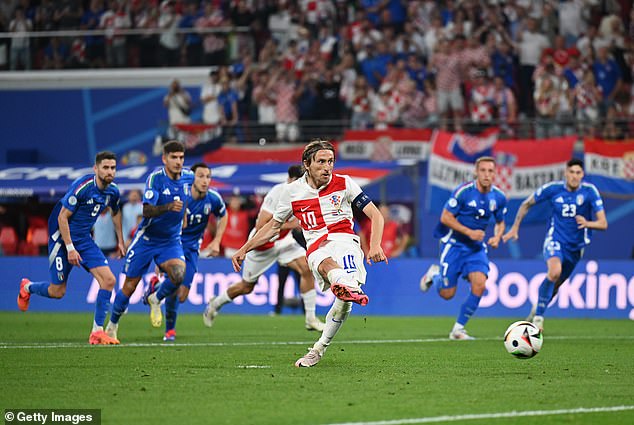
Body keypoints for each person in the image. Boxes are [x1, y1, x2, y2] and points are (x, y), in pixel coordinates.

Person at [231, 140, 387, 368]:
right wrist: (245, 248)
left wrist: (375, 245)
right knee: (325, 263)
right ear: (307, 164)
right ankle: (342, 283)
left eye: (331, 161)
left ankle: (318, 348)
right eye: (321, 162)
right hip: (316, 247)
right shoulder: (291, 192)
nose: (327, 167)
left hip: (346, 242)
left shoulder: (345, 183)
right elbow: (273, 227)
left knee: (345, 303)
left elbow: (376, 215)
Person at [17, 151, 125, 345]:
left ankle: (97, 332)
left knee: (108, 280)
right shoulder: (83, 187)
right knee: (57, 292)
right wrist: (70, 248)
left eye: (113, 168)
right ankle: (27, 287)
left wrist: (121, 240)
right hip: (61, 237)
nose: (110, 172)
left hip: (84, 239)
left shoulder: (113, 191)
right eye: (106, 167)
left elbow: (116, 212)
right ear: (96, 168)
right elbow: (62, 217)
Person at [204, 165, 326, 332]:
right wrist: (292, 224)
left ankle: (310, 319)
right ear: (289, 180)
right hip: (262, 245)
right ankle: (215, 303)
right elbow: (261, 225)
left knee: (306, 268)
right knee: (247, 287)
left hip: (283, 242)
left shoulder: (305, 192)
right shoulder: (278, 192)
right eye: (298, 181)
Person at [502, 158, 607, 331]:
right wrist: (515, 227)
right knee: (554, 272)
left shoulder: (590, 192)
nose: (574, 176)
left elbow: (603, 223)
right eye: (571, 172)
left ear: (582, 175)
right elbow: (526, 204)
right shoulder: (553, 189)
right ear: (566, 173)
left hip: (576, 248)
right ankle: (538, 319)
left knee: (556, 285)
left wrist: (588, 223)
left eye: (578, 173)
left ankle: (535, 311)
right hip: (556, 240)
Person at [105, 141, 194, 342]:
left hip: (170, 240)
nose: (178, 161)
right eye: (174, 157)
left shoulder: (189, 177)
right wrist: (168, 206)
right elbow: (146, 210)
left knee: (179, 274)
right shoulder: (155, 179)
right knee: (129, 287)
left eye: (181, 157)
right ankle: (112, 325)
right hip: (147, 239)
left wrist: (185, 213)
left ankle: (155, 297)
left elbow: (190, 198)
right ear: (164, 159)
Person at [420, 156, 507, 340]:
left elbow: (500, 222)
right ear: (476, 172)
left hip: (476, 249)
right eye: (482, 170)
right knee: (447, 293)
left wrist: (498, 236)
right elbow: (445, 217)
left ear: (495, 173)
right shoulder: (463, 192)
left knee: (480, 284)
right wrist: (469, 232)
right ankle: (434, 275)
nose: (486, 174)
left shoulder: (499, 197)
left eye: (490, 171)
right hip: (454, 245)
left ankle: (458, 329)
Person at [144, 162, 228, 341]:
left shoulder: (213, 198)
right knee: (174, 286)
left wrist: (216, 241)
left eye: (208, 177)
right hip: (174, 244)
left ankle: (156, 290)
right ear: (192, 178)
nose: (205, 181)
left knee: (181, 295)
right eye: (200, 176)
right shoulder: (181, 196)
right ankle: (170, 330)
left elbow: (223, 214)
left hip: (191, 249)